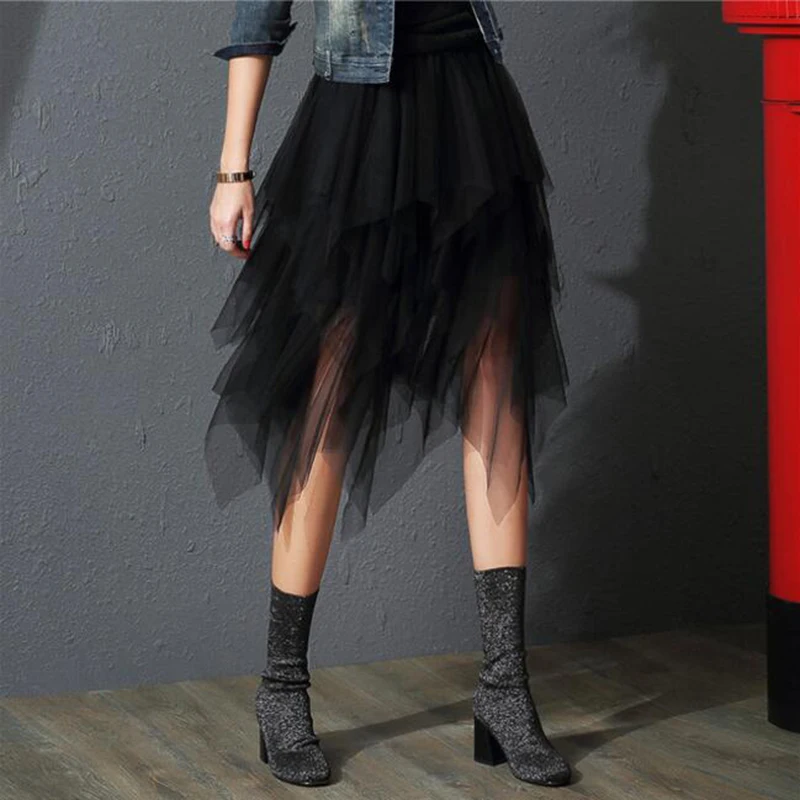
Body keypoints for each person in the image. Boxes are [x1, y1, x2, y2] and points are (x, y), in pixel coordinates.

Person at [207, 0, 571, 788]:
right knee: (329, 390)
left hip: (471, 108)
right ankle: (282, 688)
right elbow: (258, 15)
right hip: (360, 121)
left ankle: (505, 689)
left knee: (496, 380)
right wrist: (234, 168)